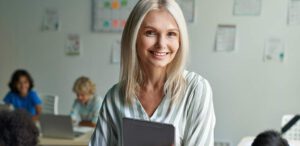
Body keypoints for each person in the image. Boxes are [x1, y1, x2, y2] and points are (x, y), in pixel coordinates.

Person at [89, 0, 216, 145]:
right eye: (150, 33)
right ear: (134, 37)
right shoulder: (115, 97)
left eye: (171, 34)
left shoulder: (196, 90)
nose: (161, 44)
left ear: (180, 40)